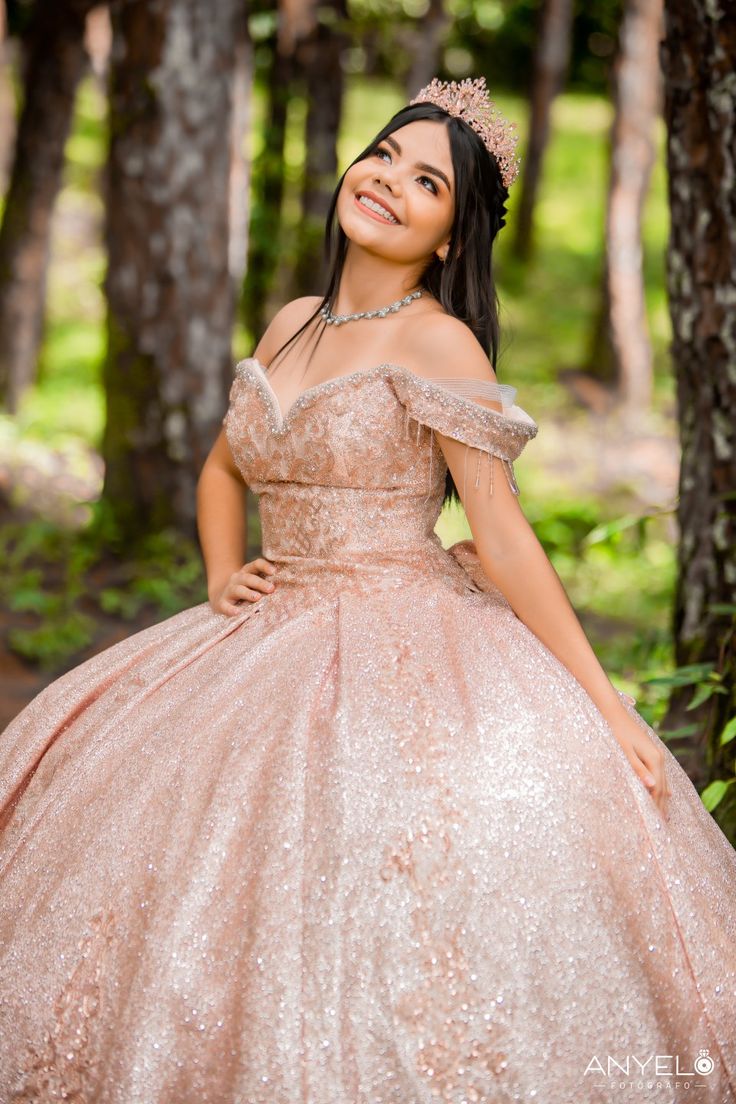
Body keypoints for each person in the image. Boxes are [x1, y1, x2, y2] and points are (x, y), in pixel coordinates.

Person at [0, 75, 734, 1104]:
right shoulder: (293, 321)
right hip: (267, 628)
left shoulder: (438, 339)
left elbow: (503, 533)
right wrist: (223, 572)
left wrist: (604, 707)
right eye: (385, 154)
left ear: (448, 236)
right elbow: (223, 469)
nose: (389, 180)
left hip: (401, 631)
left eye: (426, 181)